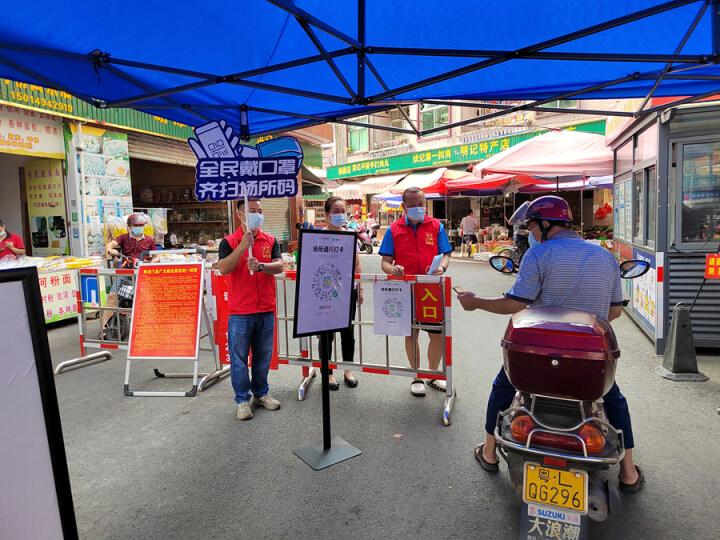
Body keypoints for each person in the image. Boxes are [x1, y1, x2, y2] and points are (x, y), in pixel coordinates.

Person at [457, 195, 643, 492]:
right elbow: (615, 311)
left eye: (531, 227)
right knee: (614, 399)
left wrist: (476, 302)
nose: (530, 234)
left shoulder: (539, 255)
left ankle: (490, 452)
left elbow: (515, 303)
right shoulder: (606, 257)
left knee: (502, 388)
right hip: (590, 360)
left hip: (539, 357)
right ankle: (629, 472)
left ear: (545, 225)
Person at [379, 187, 453, 397]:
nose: (418, 208)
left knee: (436, 334)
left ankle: (432, 373)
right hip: (405, 290)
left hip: (431, 289)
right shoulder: (394, 229)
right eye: (412, 205)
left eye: (421, 204)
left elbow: (446, 254)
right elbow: (385, 262)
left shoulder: (436, 226)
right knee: (411, 333)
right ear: (404, 207)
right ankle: (416, 376)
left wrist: (443, 267)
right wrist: (393, 270)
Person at [218, 199, 284, 421]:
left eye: (259, 211)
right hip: (240, 311)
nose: (257, 215)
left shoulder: (271, 240)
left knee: (263, 356)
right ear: (239, 214)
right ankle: (242, 400)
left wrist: (262, 267)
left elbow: (280, 265)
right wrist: (242, 247)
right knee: (238, 358)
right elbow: (223, 268)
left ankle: (261, 393)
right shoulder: (228, 241)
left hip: (266, 308)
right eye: (251, 211)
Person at [319, 196, 364, 390]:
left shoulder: (350, 236)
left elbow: (357, 263)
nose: (340, 215)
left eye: (342, 211)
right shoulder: (319, 236)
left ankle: (348, 369)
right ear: (327, 214)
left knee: (348, 332)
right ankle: (327, 373)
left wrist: (360, 288)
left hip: (347, 291)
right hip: (326, 291)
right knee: (326, 333)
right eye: (336, 211)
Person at [101, 213, 157, 333]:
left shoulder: (149, 240)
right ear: (130, 227)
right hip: (126, 272)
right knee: (112, 296)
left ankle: (148, 326)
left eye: (141, 225)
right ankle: (104, 327)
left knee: (147, 299)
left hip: (142, 274)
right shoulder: (123, 238)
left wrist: (148, 263)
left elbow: (156, 256)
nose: (139, 227)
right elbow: (110, 245)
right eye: (136, 225)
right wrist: (111, 250)